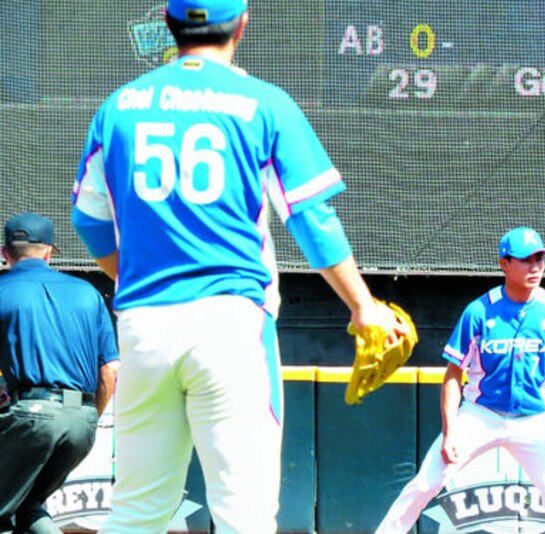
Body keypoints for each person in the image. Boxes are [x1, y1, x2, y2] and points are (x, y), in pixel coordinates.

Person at [71, 0, 402, 531]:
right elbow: (312, 217)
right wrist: (363, 305)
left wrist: (130, 276)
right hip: (231, 323)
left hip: (144, 325)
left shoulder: (120, 106)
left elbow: (88, 222)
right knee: (243, 514)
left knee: (137, 513)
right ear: (243, 25)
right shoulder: (262, 103)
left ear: (168, 26)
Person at [376, 227, 545, 534]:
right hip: (480, 414)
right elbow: (452, 374)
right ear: (504, 264)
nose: (535, 267)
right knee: (426, 483)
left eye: (540, 259)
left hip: (532, 419)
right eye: (525, 260)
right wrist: (450, 433)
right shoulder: (478, 312)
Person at [0, 212, 120, 533]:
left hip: (31, 417)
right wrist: (88, 416)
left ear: (4, 253)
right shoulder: (87, 293)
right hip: (82, 424)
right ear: (49, 252)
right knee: (29, 507)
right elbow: (110, 371)